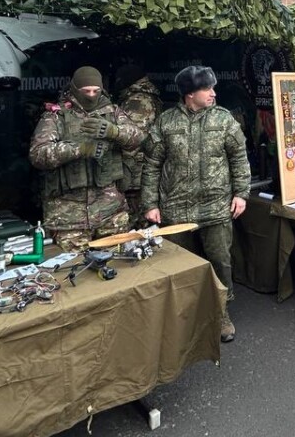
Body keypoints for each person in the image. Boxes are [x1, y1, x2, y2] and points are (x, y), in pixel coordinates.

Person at [141, 65, 250, 343]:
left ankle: (221, 313)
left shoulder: (224, 120)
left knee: (220, 262)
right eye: (207, 89)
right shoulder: (166, 122)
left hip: (216, 207)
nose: (214, 93)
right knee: (179, 265)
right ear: (190, 94)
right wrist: (150, 204)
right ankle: (185, 317)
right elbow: (152, 165)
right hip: (176, 208)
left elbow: (239, 158)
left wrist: (241, 193)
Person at [28, 66, 144, 251]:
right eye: (86, 91)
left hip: (110, 210)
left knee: (118, 267)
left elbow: (138, 139)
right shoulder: (56, 116)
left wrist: (114, 132)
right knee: (74, 273)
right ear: (74, 89)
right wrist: (80, 149)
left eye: (96, 91)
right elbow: (38, 154)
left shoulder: (112, 113)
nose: (91, 95)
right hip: (69, 216)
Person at [114, 64, 163, 223]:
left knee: (135, 218)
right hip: (140, 167)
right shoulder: (146, 96)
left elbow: (132, 138)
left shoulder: (138, 101)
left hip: (136, 169)